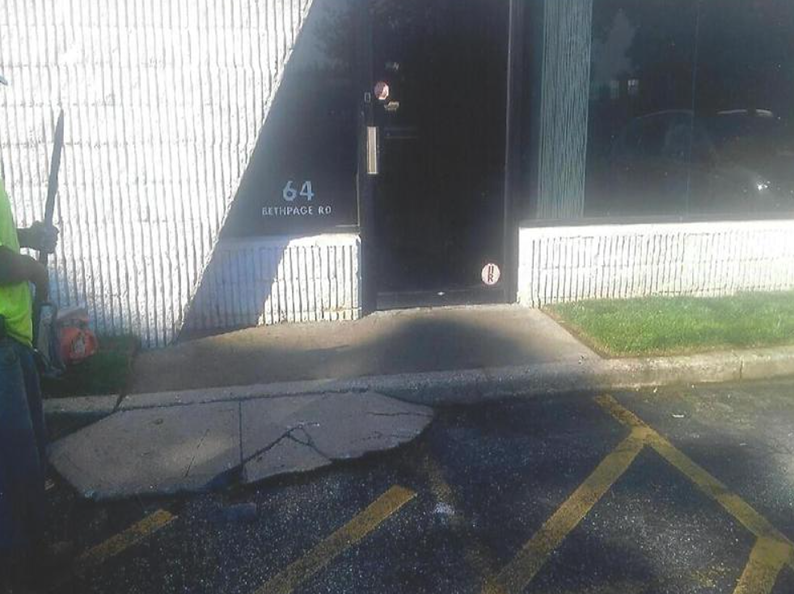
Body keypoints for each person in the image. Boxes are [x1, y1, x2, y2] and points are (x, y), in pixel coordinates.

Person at [0, 72, 62, 592]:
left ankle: (37, 554)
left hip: (12, 337)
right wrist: (33, 269)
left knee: (33, 449)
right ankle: (27, 571)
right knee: (17, 462)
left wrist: (27, 235)